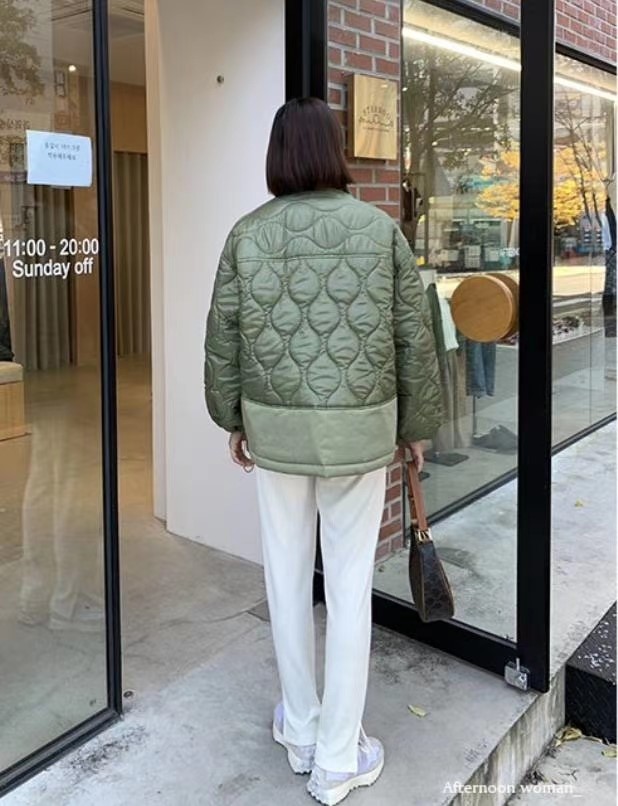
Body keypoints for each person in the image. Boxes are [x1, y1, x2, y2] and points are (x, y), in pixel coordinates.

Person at [204, 97, 443, 806]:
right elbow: (413, 339)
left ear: (277, 155)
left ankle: (301, 728)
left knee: (284, 580)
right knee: (347, 588)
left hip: (276, 437)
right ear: (335, 151)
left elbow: (223, 339)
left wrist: (231, 418)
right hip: (359, 438)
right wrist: (416, 427)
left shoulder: (247, 235)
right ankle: (339, 757)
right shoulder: (379, 230)